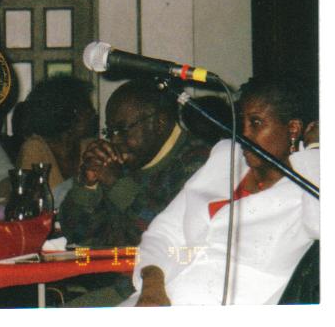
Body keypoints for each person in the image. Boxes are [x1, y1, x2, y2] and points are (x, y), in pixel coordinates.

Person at [129, 76, 319, 305]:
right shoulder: (225, 156)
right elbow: (163, 233)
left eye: (256, 123)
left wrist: (315, 152)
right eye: (242, 121)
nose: (243, 134)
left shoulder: (311, 180)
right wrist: (152, 286)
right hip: (157, 297)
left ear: (293, 129)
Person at [58, 78, 211, 306]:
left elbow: (164, 235)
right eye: (110, 131)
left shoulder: (199, 161)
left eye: (122, 129)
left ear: (159, 123)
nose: (114, 140)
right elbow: (78, 236)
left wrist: (116, 183)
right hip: (109, 280)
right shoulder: (126, 160)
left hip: (160, 289)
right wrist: (87, 184)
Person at [11, 75, 98, 208]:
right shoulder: (35, 148)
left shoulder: (90, 146)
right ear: (69, 113)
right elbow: (28, 203)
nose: (93, 112)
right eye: (87, 107)